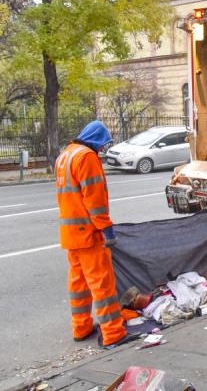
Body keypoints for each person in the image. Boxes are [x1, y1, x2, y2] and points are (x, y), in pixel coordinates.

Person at [56, 121, 132, 349]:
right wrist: (106, 229)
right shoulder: (87, 157)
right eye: (103, 144)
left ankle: (80, 327)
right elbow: (95, 200)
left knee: (78, 284)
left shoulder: (65, 156)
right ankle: (113, 334)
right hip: (89, 233)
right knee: (102, 285)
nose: (102, 150)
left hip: (70, 233)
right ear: (97, 140)